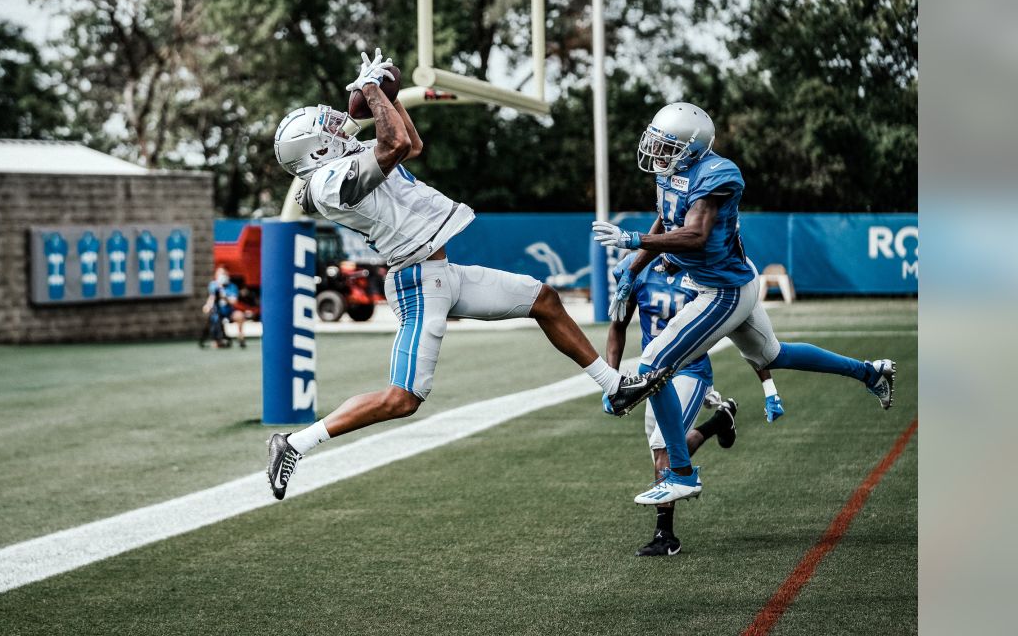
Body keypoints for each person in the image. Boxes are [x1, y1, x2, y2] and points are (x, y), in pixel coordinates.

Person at [264, 49, 670, 500]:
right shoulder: (325, 184)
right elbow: (393, 146)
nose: (336, 121)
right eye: (326, 126)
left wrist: (387, 93)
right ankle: (294, 444)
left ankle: (614, 387)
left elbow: (409, 144)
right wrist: (373, 90)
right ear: (316, 149)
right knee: (403, 399)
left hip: (442, 273)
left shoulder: (342, 161)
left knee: (544, 299)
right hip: (417, 283)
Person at [592, 102, 896, 507]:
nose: (657, 153)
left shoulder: (718, 174)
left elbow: (696, 233)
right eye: (657, 143)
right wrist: (634, 267)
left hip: (722, 290)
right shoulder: (675, 173)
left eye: (668, 146)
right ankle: (869, 373)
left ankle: (681, 473)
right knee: (774, 353)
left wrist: (634, 242)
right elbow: (667, 219)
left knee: (651, 366)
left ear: (693, 147)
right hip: (732, 279)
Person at [605, 253, 778, 556]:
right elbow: (618, 327)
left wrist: (768, 384)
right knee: (667, 452)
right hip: (653, 373)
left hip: (690, 370)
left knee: (663, 449)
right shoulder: (640, 269)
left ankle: (665, 535)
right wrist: (611, 380)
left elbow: (746, 330)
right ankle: (719, 422)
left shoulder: (703, 270)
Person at [202, 267, 250, 349]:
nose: (222, 276)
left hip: (229, 312)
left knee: (239, 315)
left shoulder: (232, 286)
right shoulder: (213, 285)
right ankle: (218, 339)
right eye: (220, 274)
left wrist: (224, 297)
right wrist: (207, 306)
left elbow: (234, 301)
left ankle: (240, 337)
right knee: (217, 343)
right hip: (217, 313)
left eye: (224, 273)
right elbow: (212, 297)